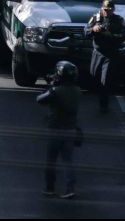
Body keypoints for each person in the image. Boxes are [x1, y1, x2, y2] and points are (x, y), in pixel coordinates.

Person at [37, 61, 81, 199]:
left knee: (51, 160)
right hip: (70, 130)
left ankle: (50, 188)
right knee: (68, 160)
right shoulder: (77, 91)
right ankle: (70, 188)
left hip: (55, 129)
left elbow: (40, 99)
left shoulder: (57, 91)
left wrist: (50, 87)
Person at [87, 0, 125, 113]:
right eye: (105, 9)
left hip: (110, 53)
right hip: (98, 52)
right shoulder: (96, 18)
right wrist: (93, 29)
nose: (106, 12)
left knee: (105, 80)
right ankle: (97, 96)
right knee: (94, 76)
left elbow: (124, 37)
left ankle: (104, 104)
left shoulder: (119, 20)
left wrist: (109, 35)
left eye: (109, 10)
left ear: (113, 10)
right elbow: (85, 31)